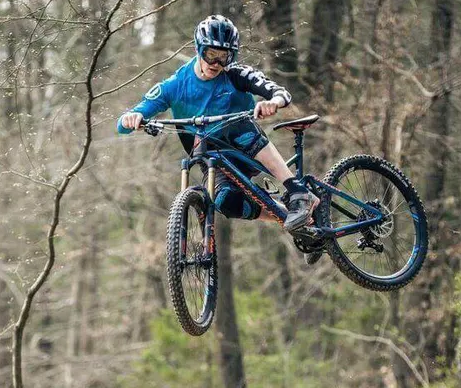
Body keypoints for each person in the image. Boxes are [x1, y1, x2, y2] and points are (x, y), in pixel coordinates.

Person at [116, 15, 320, 234]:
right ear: (198, 49)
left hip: (245, 144)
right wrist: (132, 118)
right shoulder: (175, 85)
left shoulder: (235, 74)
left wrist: (272, 103)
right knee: (225, 201)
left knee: (243, 130)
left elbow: (280, 93)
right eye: (211, 55)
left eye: (224, 57)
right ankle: (292, 221)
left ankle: (298, 192)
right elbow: (127, 120)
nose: (216, 64)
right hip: (211, 154)